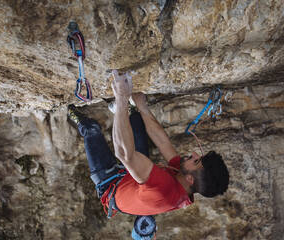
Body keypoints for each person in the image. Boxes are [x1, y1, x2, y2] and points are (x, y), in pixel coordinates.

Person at [67, 70, 229, 218]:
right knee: (137, 119)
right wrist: (142, 106)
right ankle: (129, 110)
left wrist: (121, 97)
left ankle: (67, 109)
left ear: (190, 179)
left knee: (92, 129)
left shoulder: (164, 190)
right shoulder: (183, 179)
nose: (194, 154)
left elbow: (124, 153)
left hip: (110, 183)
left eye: (196, 160)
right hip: (132, 178)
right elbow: (163, 143)